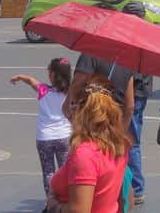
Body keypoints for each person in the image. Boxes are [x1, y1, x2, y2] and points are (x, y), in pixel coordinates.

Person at [69, 2, 150, 208]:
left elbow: (75, 87)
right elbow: (130, 104)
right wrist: (120, 129)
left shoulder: (90, 53)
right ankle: (134, 189)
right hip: (115, 126)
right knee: (116, 176)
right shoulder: (128, 55)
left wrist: (71, 112)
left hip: (93, 128)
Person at [48, 76, 131, 213]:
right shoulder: (118, 145)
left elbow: (79, 210)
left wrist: (55, 206)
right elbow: (122, 197)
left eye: (72, 104)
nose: (69, 112)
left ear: (82, 110)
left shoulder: (85, 154)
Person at [11, 57, 73, 200]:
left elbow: (31, 81)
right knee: (65, 170)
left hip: (44, 138)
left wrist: (20, 77)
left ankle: (50, 201)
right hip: (64, 137)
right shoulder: (70, 92)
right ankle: (66, 199)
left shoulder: (43, 90)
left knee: (48, 172)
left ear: (52, 75)